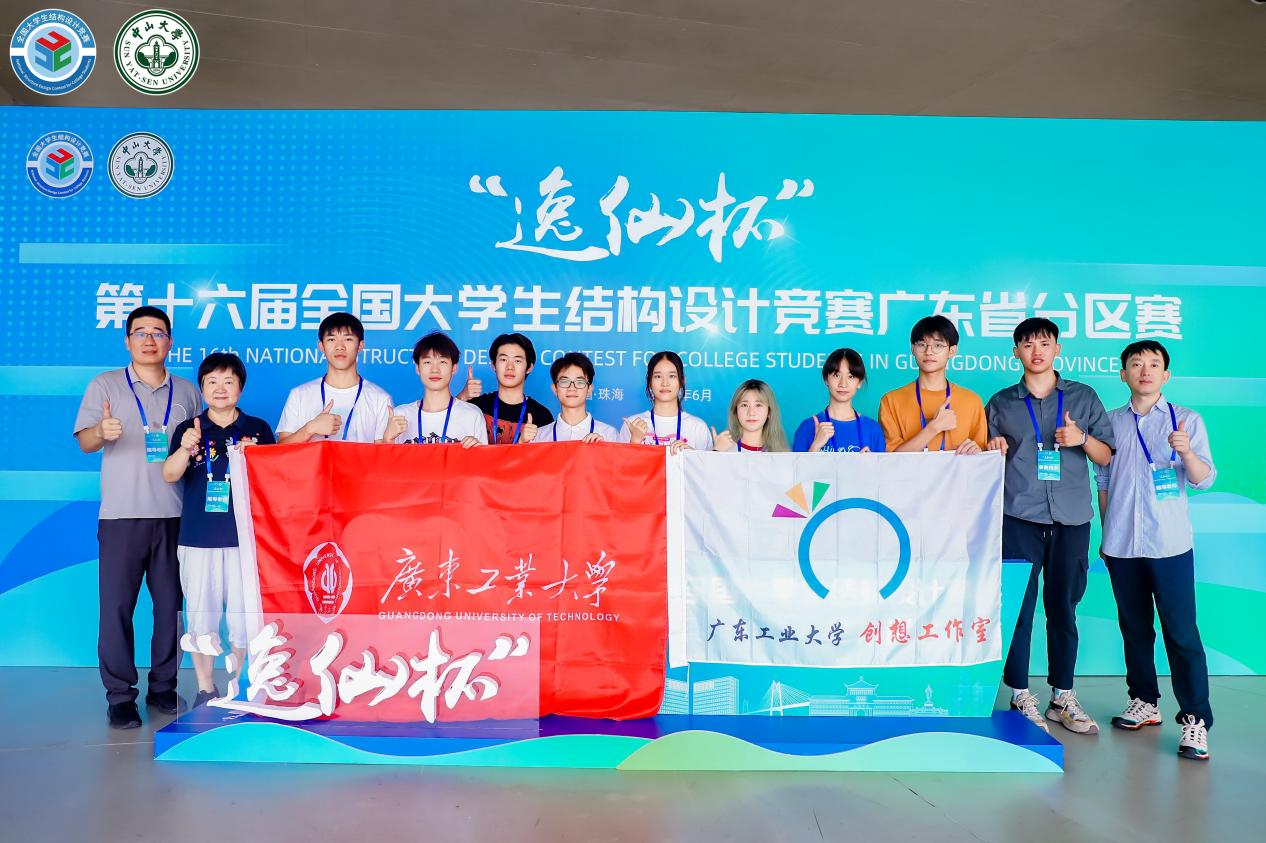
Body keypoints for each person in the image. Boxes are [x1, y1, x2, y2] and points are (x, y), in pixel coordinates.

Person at [73, 306, 202, 729]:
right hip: (121, 517)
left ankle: (163, 687)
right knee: (116, 610)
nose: (149, 340)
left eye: (158, 332)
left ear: (170, 342)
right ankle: (120, 696)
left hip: (175, 517)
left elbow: (196, 449)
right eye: (140, 332)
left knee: (171, 609)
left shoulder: (187, 391)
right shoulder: (105, 385)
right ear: (127, 341)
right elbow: (85, 443)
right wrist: (101, 432)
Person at [985, 317, 1115, 736]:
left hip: (1072, 518)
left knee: (1063, 608)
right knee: (1019, 610)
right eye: (1027, 344)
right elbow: (984, 460)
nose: (1036, 351)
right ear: (1015, 352)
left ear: (1057, 349)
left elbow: (1106, 455)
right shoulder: (1001, 403)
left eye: (1044, 343)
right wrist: (992, 447)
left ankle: (1063, 696)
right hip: (1018, 518)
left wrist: (1082, 439)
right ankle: (1020, 693)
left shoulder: (1083, 396)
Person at [1096, 340, 1215, 761]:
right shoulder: (1110, 422)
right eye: (1135, 364)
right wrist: (1107, 535)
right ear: (1123, 374)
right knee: (1134, 629)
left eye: (1153, 364)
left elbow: (1203, 479)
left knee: (1181, 634)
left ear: (1166, 375)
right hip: (1122, 544)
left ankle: (1195, 720)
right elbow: (1104, 482)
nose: (1144, 371)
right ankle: (1144, 700)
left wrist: (1187, 452)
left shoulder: (1187, 420)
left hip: (1170, 545)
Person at [162, 353, 275, 707]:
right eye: (212, 382)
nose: (220, 388)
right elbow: (169, 474)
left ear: (241, 387)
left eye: (228, 381)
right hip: (198, 538)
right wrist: (185, 448)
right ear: (202, 388)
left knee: (244, 618)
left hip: (246, 541)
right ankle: (205, 687)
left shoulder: (258, 429)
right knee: (201, 614)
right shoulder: (190, 429)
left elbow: (275, 484)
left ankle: (238, 686)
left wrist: (259, 458)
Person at [275, 312, 392, 444]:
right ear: (321, 346)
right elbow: (281, 450)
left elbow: (382, 453)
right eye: (331, 339)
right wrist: (309, 429)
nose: (339, 347)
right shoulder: (299, 395)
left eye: (348, 339)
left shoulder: (380, 399)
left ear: (360, 345)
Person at [878, 315, 987, 454]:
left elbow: (982, 457)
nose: (928, 352)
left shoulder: (972, 401)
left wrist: (976, 451)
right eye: (922, 344)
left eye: (938, 345)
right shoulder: (891, 401)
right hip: (908, 470)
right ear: (912, 348)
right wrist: (933, 428)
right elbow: (892, 459)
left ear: (952, 351)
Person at [382, 332, 487, 448]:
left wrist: (477, 452)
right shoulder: (400, 415)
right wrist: (387, 440)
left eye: (442, 362)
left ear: (454, 368)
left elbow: (484, 460)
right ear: (417, 368)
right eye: (428, 362)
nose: (435, 370)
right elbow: (386, 460)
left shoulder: (472, 415)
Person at [792, 348, 885, 453]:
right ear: (826, 379)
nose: (843, 384)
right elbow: (796, 464)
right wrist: (815, 446)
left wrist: (871, 462)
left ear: (860, 382)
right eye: (836, 375)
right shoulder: (808, 427)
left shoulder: (873, 429)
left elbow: (883, 464)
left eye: (851, 376)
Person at [618, 351, 713, 452]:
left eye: (672, 376)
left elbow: (707, 463)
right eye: (658, 376)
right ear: (649, 382)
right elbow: (620, 462)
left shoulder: (698, 427)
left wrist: (692, 455)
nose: (665, 383)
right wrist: (634, 442)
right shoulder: (633, 424)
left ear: (682, 381)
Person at [470, 333, 554, 444]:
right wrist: (462, 397)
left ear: (529, 367)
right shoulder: (476, 407)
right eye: (503, 359)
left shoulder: (542, 416)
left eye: (517, 361)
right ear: (493, 365)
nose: (510, 367)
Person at [534, 352, 619, 443]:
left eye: (580, 382)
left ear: (589, 389)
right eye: (564, 381)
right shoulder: (539, 437)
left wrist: (604, 448)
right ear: (555, 388)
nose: (572, 388)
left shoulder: (609, 435)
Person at [713, 379, 790, 452]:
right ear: (736, 411)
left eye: (758, 405)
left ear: (769, 412)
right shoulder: (724, 449)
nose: (751, 413)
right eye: (744, 405)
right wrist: (716, 452)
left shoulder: (781, 453)